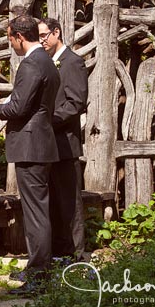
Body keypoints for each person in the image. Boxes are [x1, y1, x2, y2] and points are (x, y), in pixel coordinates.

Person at [0, 15, 60, 294]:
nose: (10, 43)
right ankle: (36, 266)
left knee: (36, 213)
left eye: (10, 38)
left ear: (18, 36)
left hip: (32, 145)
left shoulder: (31, 64)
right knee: (38, 210)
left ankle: (39, 276)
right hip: (41, 143)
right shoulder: (48, 63)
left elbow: (18, 108)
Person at [38, 17, 89, 261]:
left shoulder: (73, 62)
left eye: (44, 36)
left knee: (69, 200)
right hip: (47, 143)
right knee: (53, 201)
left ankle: (76, 254)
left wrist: (48, 120)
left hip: (65, 142)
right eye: (38, 37)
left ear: (56, 32)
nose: (42, 41)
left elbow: (76, 102)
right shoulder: (46, 63)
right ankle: (58, 252)